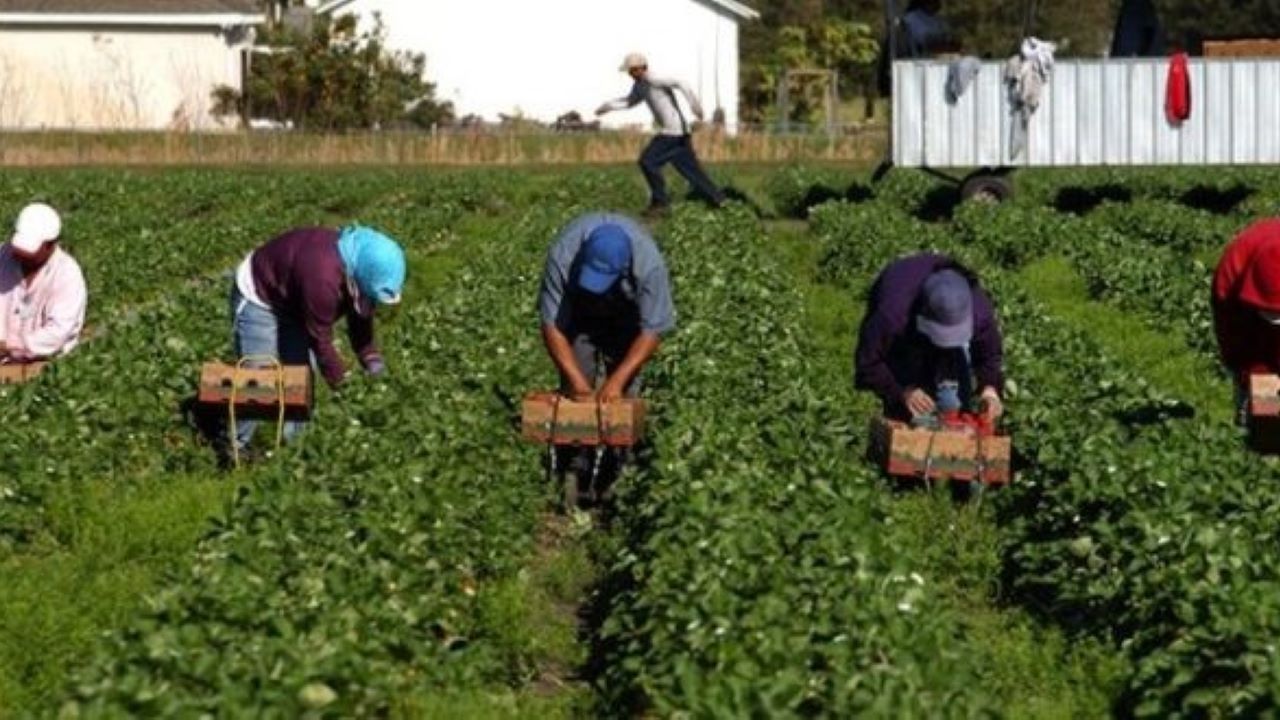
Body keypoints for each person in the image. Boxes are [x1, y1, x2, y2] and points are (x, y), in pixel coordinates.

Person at [226, 224, 405, 454]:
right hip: (260, 293)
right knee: (259, 374)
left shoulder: (357, 266)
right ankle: (237, 447)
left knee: (300, 375)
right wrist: (342, 384)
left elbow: (360, 318)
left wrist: (370, 357)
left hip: (295, 299)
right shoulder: (323, 276)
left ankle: (296, 448)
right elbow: (320, 339)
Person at [538, 212, 675, 505]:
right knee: (577, 391)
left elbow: (652, 331)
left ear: (624, 267)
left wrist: (616, 381)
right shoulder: (564, 254)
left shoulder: (649, 265)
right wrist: (577, 382)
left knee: (623, 397)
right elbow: (551, 325)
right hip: (579, 316)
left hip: (627, 318)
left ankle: (618, 469)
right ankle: (577, 462)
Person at [855, 253, 1004, 423]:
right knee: (906, 409)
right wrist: (902, 392)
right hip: (905, 330)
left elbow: (989, 356)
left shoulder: (979, 312)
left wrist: (990, 390)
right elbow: (868, 363)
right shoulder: (891, 314)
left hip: (931, 310)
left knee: (955, 400)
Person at [596, 53, 727, 217]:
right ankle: (719, 200)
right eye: (629, 72)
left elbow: (681, 83)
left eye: (632, 71)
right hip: (680, 133)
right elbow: (629, 102)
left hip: (673, 132)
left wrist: (695, 107)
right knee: (691, 170)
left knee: (647, 161)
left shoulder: (654, 79)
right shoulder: (640, 86)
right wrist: (607, 106)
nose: (630, 75)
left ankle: (660, 203)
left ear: (641, 68)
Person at [1211, 219, 1280, 424]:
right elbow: (1246, 355)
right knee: (1261, 374)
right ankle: (1262, 430)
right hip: (1239, 307)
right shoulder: (1230, 294)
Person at [0, 203, 87, 365]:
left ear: (50, 245)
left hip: (48, 363)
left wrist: (11, 346)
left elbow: (58, 332)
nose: (21, 254)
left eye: (29, 251)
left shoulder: (67, 274)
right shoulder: (2, 257)